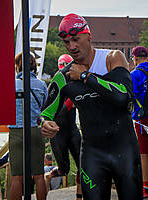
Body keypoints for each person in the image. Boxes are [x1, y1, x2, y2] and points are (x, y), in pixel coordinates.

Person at [38, 13, 143, 200]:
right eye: (66, 42)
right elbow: (46, 112)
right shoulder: (64, 76)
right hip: (93, 155)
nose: (71, 47)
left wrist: (86, 77)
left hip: (125, 151)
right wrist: (45, 124)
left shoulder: (113, 58)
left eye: (76, 39)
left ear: (89, 36)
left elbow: (124, 98)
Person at [9, 52, 48, 200]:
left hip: (16, 130)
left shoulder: (11, 84)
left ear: (17, 66)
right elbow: (45, 107)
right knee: (39, 175)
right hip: (36, 130)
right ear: (34, 65)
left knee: (16, 177)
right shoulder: (41, 85)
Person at [50, 53, 82, 199]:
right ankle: (47, 177)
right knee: (64, 170)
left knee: (83, 165)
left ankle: (79, 195)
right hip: (58, 133)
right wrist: (70, 103)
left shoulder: (76, 83)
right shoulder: (56, 84)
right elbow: (55, 109)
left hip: (72, 130)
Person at [130, 46, 148, 199]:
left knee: (145, 154)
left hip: (141, 120)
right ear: (147, 57)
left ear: (135, 59)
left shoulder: (134, 74)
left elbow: (128, 97)